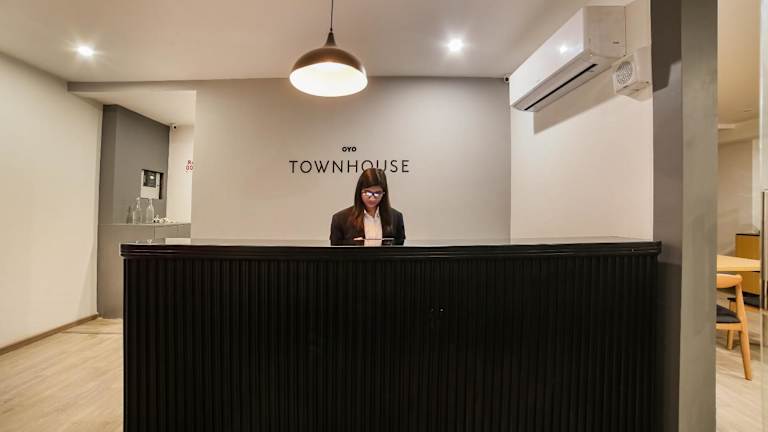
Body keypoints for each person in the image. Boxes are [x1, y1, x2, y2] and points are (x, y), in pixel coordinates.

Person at [330, 168, 406, 245]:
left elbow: (400, 249)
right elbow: (335, 251)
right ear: (359, 191)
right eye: (367, 193)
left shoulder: (396, 218)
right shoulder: (340, 219)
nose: (372, 198)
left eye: (377, 193)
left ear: (384, 194)